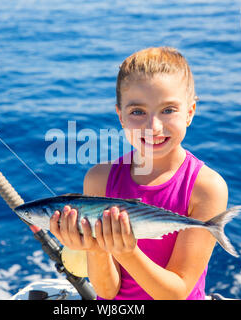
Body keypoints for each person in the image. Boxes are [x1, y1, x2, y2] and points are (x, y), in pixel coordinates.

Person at [49, 47, 229, 300]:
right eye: (137, 112)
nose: (153, 127)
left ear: (189, 112)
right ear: (120, 116)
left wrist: (126, 251)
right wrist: (95, 248)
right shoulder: (98, 179)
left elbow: (175, 294)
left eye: (168, 110)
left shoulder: (205, 187)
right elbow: (107, 291)